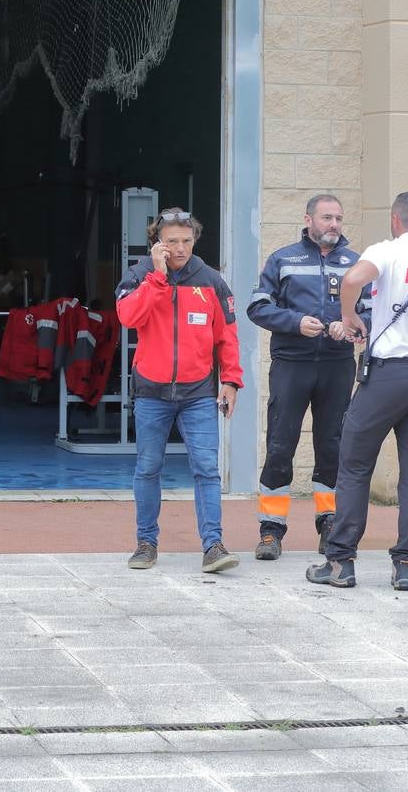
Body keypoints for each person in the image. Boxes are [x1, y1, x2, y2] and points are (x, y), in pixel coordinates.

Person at [308, 191, 408, 592]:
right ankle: (404, 566)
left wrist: (348, 318)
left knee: (354, 465)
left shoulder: (387, 251)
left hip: (387, 376)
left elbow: (352, 279)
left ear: (396, 221)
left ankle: (341, 562)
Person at [115, 208, 243, 574]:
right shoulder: (140, 275)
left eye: (186, 241)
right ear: (158, 243)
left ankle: (213, 546)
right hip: (151, 392)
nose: (181, 248)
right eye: (172, 241)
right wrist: (156, 277)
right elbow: (128, 318)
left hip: (199, 392)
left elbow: (227, 337)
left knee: (206, 468)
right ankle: (146, 543)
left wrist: (231, 380)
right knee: (148, 467)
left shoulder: (212, 281)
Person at [247, 194, 364, 559]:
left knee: (333, 445)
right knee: (281, 444)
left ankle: (329, 524)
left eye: (339, 219)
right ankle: (271, 530)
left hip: (337, 364)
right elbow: (257, 306)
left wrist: (352, 328)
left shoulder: (356, 263)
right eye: (327, 217)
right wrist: (296, 323)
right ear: (308, 219)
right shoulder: (283, 259)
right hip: (292, 363)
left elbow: (371, 311)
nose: (334, 225)